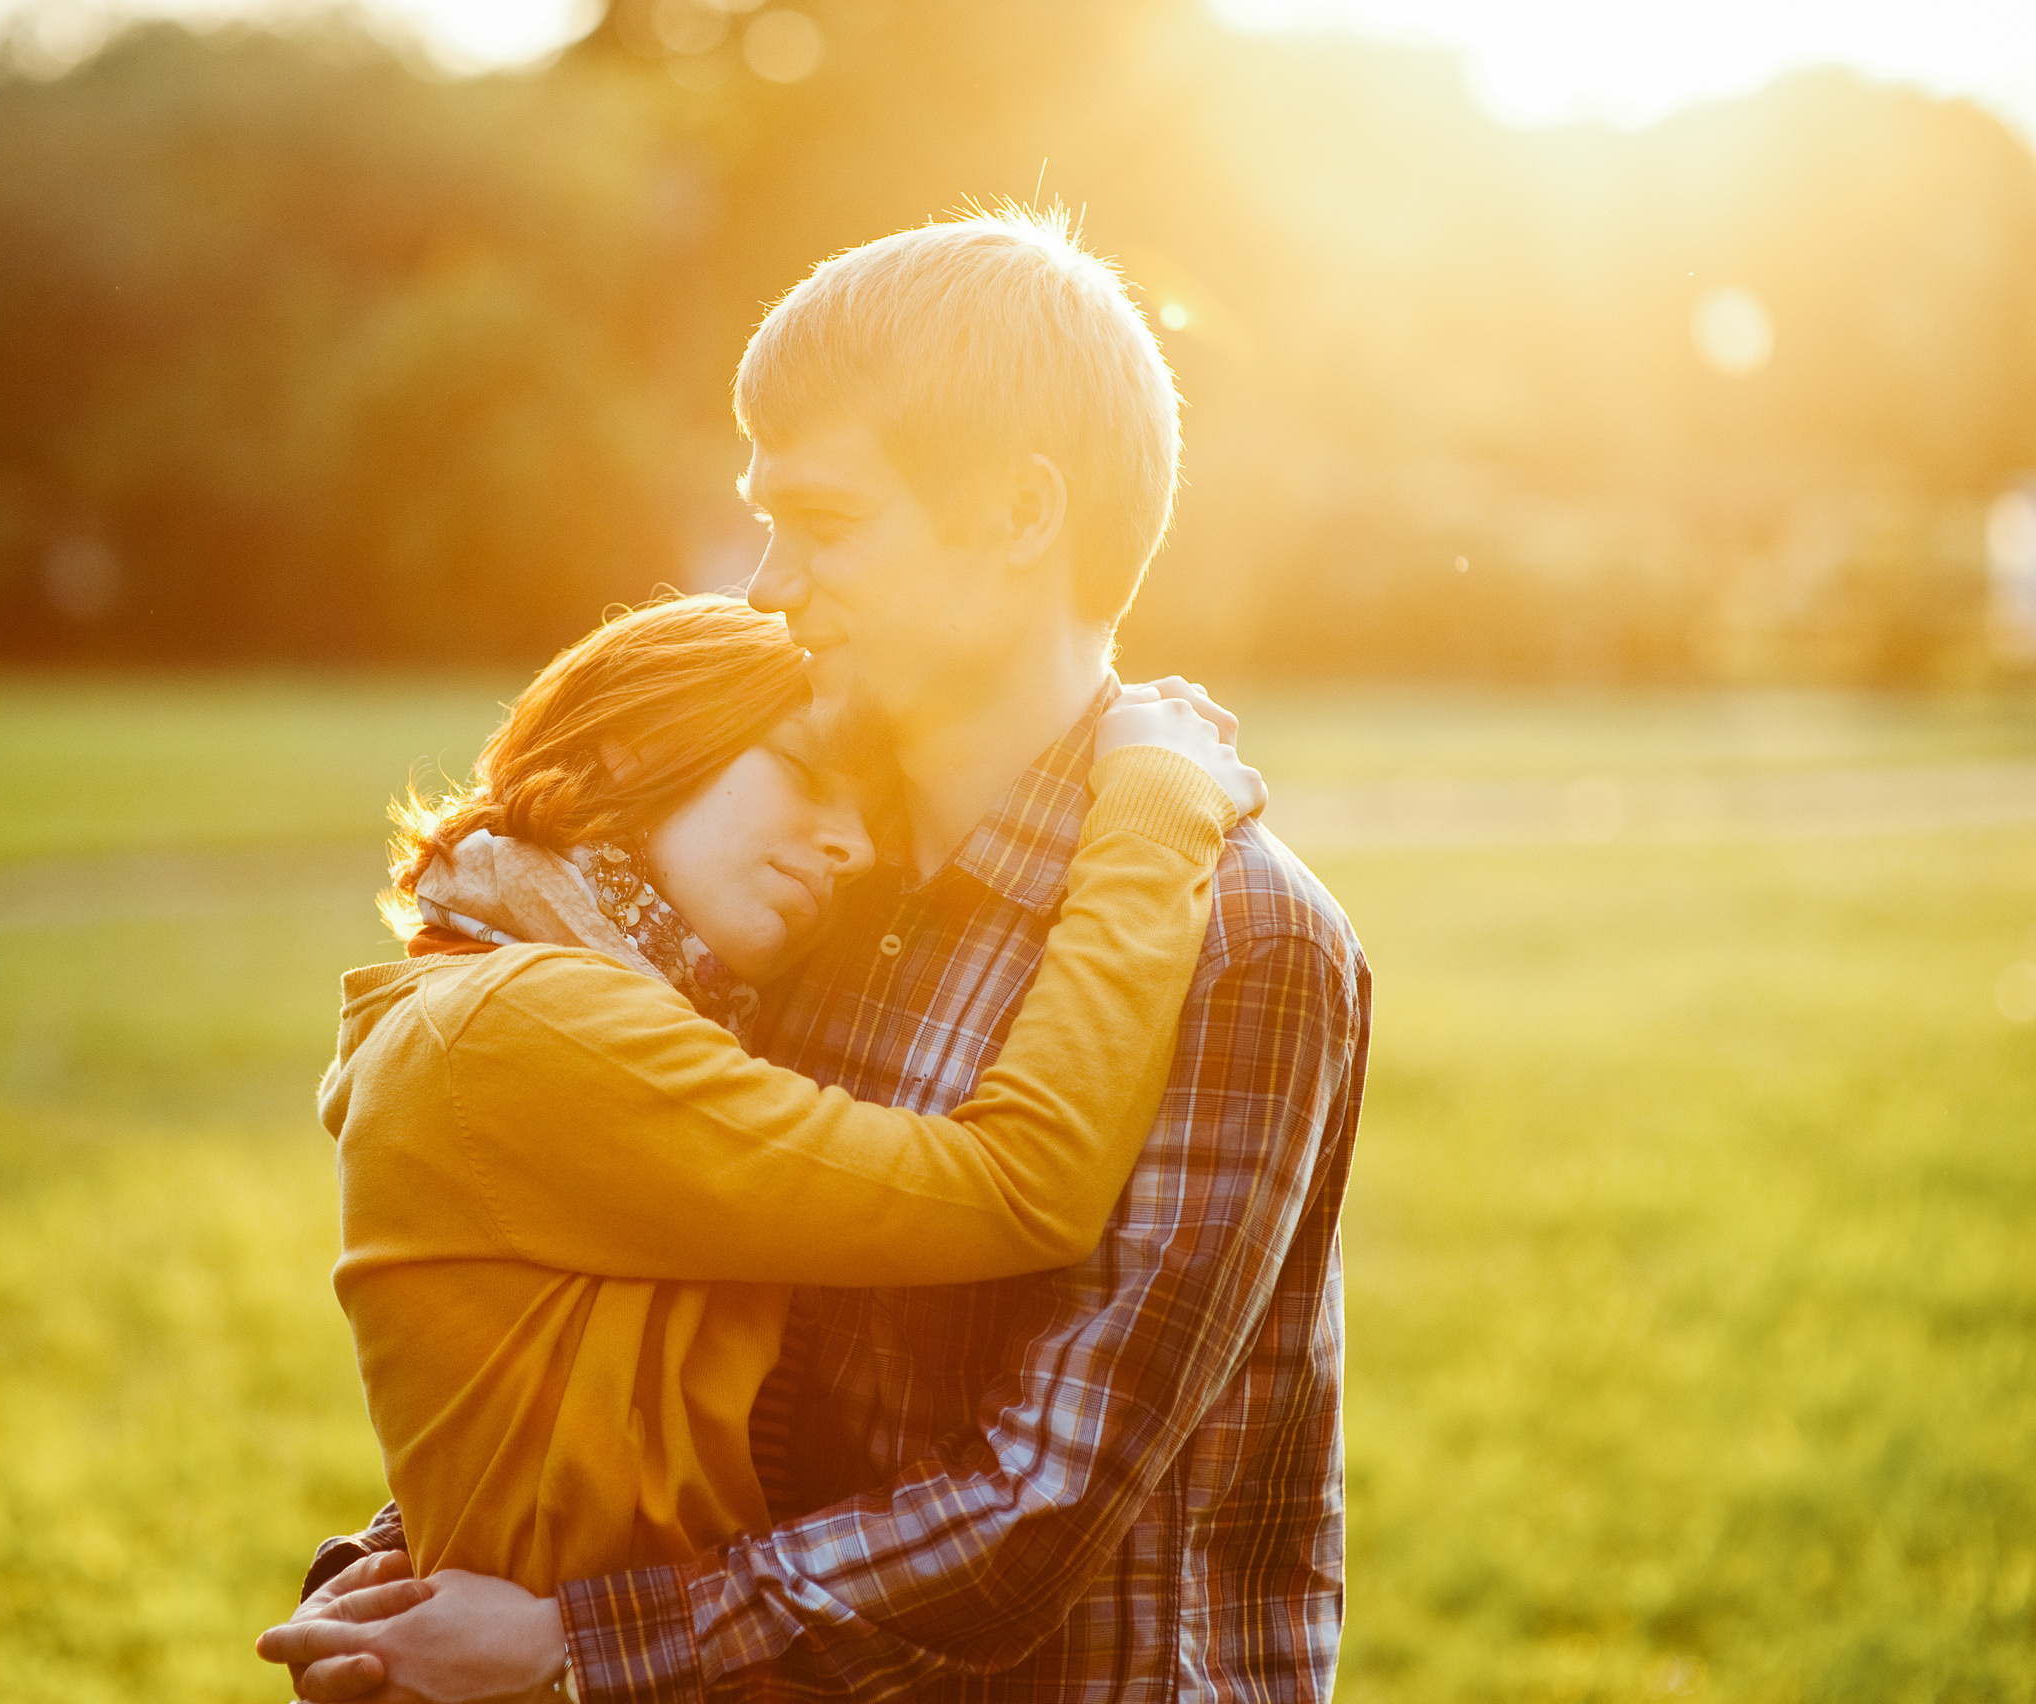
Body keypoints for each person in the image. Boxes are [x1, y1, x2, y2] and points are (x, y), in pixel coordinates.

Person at [263, 205, 1371, 1704]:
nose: (771, 584)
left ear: (1020, 515)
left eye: (826, 523)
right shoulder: (795, 896)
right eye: (766, 520)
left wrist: (571, 1645)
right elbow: (657, 1323)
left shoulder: (1242, 933)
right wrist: (425, 1562)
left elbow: (1036, 1506)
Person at [320, 590, 1256, 1602]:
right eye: (809, 773)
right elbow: (1018, 1188)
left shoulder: (526, 996)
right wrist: (1154, 810)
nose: (852, 850)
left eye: (873, 822)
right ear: (629, 752)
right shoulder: (527, 1025)